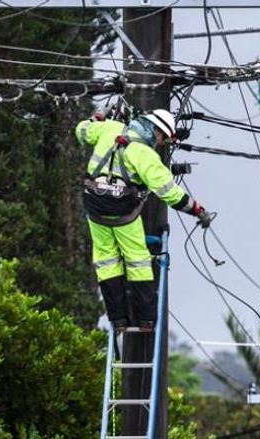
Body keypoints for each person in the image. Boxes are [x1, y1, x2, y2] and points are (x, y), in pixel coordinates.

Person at [75, 108, 211, 331]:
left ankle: (118, 320)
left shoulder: (109, 127)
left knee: (106, 260)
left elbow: (81, 131)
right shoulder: (144, 154)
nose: (160, 142)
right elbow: (169, 192)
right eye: (162, 138)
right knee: (137, 260)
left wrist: (96, 118)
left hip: (95, 205)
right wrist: (196, 210)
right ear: (155, 130)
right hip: (122, 212)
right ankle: (146, 321)